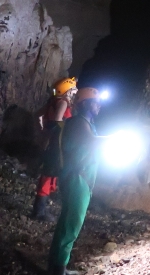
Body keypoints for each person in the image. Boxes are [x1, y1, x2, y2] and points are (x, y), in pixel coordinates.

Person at [47, 87, 106, 275]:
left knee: (68, 221)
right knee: (72, 223)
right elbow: (92, 142)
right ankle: (59, 268)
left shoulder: (85, 123)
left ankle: (57, 265)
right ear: (86, 104)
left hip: (80, 177)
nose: (99, 106)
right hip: (77, 178)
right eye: (96, 102)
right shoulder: (79, 123)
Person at [32, 77, 77, 221]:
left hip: (50, 142)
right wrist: (66, 134)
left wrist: (43, 130)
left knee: (49, 173)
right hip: (57, 145)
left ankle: (41, 208)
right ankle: (39, 211)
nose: (74, 92)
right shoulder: (63, 102)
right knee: (49, 174)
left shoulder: (52, 101)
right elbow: (58, 121)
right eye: (72, 90)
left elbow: (37, 115)